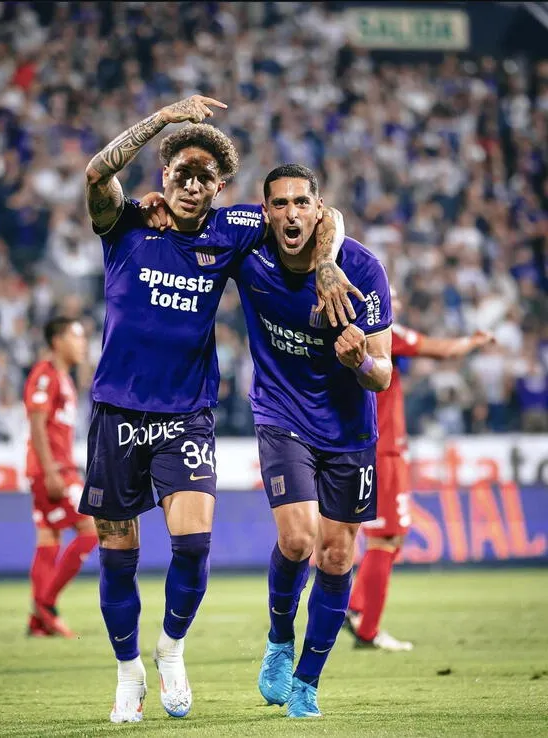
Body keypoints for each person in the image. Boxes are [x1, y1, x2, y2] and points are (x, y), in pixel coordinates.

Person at [78, 95, 359, 724]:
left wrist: (329, 263)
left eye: (205, 175)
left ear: (219, 186)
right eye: (181, 171)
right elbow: (96, 173)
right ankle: (129, 674)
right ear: (164, 176)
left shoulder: (232, 230)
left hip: (187, 412)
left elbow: (324, 214)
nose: (192, 184)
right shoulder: (125, 224)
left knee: (193, 543)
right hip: (117, 410)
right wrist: (162, 121)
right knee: (117, 549)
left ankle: (171, 649)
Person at [230, 164, 393, 718]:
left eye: (302, 202)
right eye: (280, 204)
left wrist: (359, 360)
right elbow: (193, 225)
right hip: (281, 414)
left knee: (337, 553)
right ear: (265, 209)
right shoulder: (248, 248)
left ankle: (308, 681)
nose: (291, 213)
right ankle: (279, 638)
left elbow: (384, 374)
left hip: (348, 429)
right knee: (298, 541)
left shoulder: (363, 269)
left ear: (318, 208)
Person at [346, 290, 495, 650]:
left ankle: (353, 609)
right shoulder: (381, 333)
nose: (393, 305)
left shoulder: (348, 336)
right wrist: (473, 341)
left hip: (373, 446)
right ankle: (366, 628)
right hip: (382, 449)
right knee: (386, 537)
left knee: (389, 538)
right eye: (390, 298)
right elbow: (440, 350)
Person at [23, 316, 97, 638]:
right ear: (57, 341)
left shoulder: (64, 378)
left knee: (48, 539)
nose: (82, 344)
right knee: (93, 529)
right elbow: (37, 425)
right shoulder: (45, 375)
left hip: (56, 469)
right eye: (76, 336)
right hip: (54, 472)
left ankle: (38, 623)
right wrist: (52, 471)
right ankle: (47, 605)